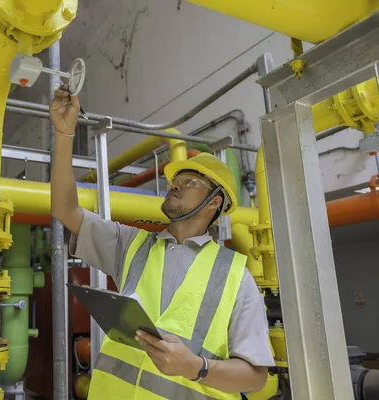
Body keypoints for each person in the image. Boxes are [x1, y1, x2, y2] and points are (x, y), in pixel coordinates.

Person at [49, 83, 275, 400]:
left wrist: (197, 367)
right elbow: (65, 209)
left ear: (214, 202)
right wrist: (64, 134)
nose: (175, 186)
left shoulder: (237, 277)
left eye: (190, 182)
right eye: (174, 181)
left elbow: (255, 378)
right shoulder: (131, 245)